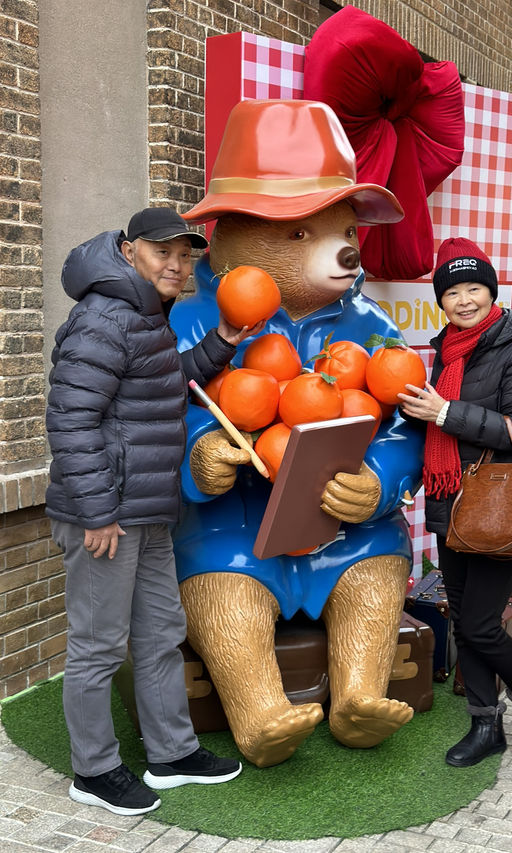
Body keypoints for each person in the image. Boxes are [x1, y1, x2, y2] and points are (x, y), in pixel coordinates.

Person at [46, 207, 262, 816]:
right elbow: (71, 420)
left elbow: (163, 385)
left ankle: (171, 753)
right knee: (99, 646)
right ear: (128, 250)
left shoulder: (145, 313)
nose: (177, 264)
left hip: (145, 509)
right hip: (106, 515)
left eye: (185, 255)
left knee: (162, 634)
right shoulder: (103, 316)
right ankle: (93, 771)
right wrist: (96, 512)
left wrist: (221, 344)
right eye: (163, 252)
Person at [398, 237, 512, 767]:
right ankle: (485, 725)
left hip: (497, 506)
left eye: (473, 288)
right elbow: (435, 435)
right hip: (452, 502)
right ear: (440, 300)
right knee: (465, 621)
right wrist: (411, 476)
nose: (463, 300)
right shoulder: (446, 349)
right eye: (452, 292)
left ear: (491, 291)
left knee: (482, 624)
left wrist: (445, 412)